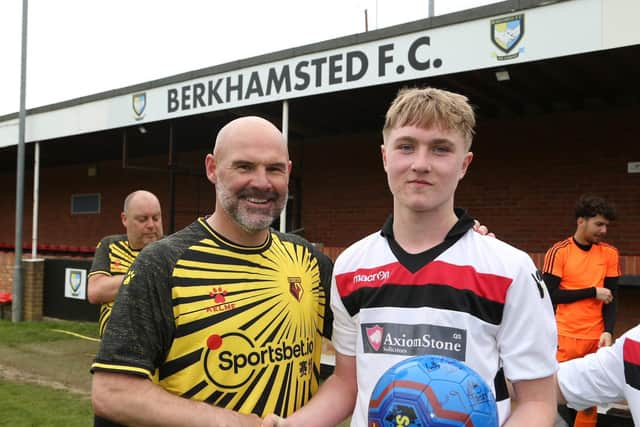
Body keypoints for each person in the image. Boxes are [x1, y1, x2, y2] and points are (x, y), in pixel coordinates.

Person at [263, 87, 558, 427]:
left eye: (440, 149)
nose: (421, 164)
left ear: (465, 164)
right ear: (385, 156)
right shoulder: (351, 267)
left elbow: (537, 402)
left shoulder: (511, 270)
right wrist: (290, 425)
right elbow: (347, 383)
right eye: (406, 147)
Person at [90, 116, 334, 426]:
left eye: (274, 169)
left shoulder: (311, 260)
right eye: (244, 167)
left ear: (288, 171)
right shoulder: (162, 264)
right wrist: (230, 422)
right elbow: (112, 391)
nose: (261, 182)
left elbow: (353, 361)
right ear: (212, 168)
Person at [543, 194, 620, 427]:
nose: (604, 230)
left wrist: (609, 330)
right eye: (599, 224)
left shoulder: (609, 253)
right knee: (556, 396)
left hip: (595, 339)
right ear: (581, 221)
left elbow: (612, 298)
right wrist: (591, 292)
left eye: (606, 225)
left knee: (589, 400)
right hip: (563, 337)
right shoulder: (559, 251)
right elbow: (549, 295)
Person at [87, 189, 164, 337]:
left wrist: (119, 285)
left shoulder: (173, 248)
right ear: (124, 219)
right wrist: (146, 276)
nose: (151, 225)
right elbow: (95, 291)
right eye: (142, 219)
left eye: (156, 218)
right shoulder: (110, 245)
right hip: (115, 344)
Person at [556, 324, 640, 425]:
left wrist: (608, 330)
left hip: (591, 337)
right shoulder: (633, 344)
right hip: (566, 336)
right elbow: (557, 384)